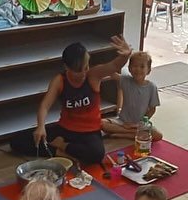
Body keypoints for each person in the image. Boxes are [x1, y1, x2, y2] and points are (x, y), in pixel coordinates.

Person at [10, 35, 133, 165]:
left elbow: (113, 65)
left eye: (86, 67)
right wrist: (41, 127)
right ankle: (61, 152)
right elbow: (44, 106)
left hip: (89, 132)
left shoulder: (93, 75)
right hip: (65, 129)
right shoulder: (59, 80)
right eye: (78, 70)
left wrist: (125, 55)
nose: (83, 72)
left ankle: (62, 147)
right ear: (67, 67)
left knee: (97, 154)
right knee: (17, 141)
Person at [101, 51, 163, 141]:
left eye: (142, 66)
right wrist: (122, 57)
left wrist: (140, 124)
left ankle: (124, 134)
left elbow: (152, 109)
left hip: (139, 124)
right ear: (129, 68)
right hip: (122, 121)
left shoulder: (151, 87)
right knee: (101, 123)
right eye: (135, 66)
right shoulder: (125, 80)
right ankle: (131, 134)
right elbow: (112, 74)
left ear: (148, 70)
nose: (138, 69)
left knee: (158, 135)